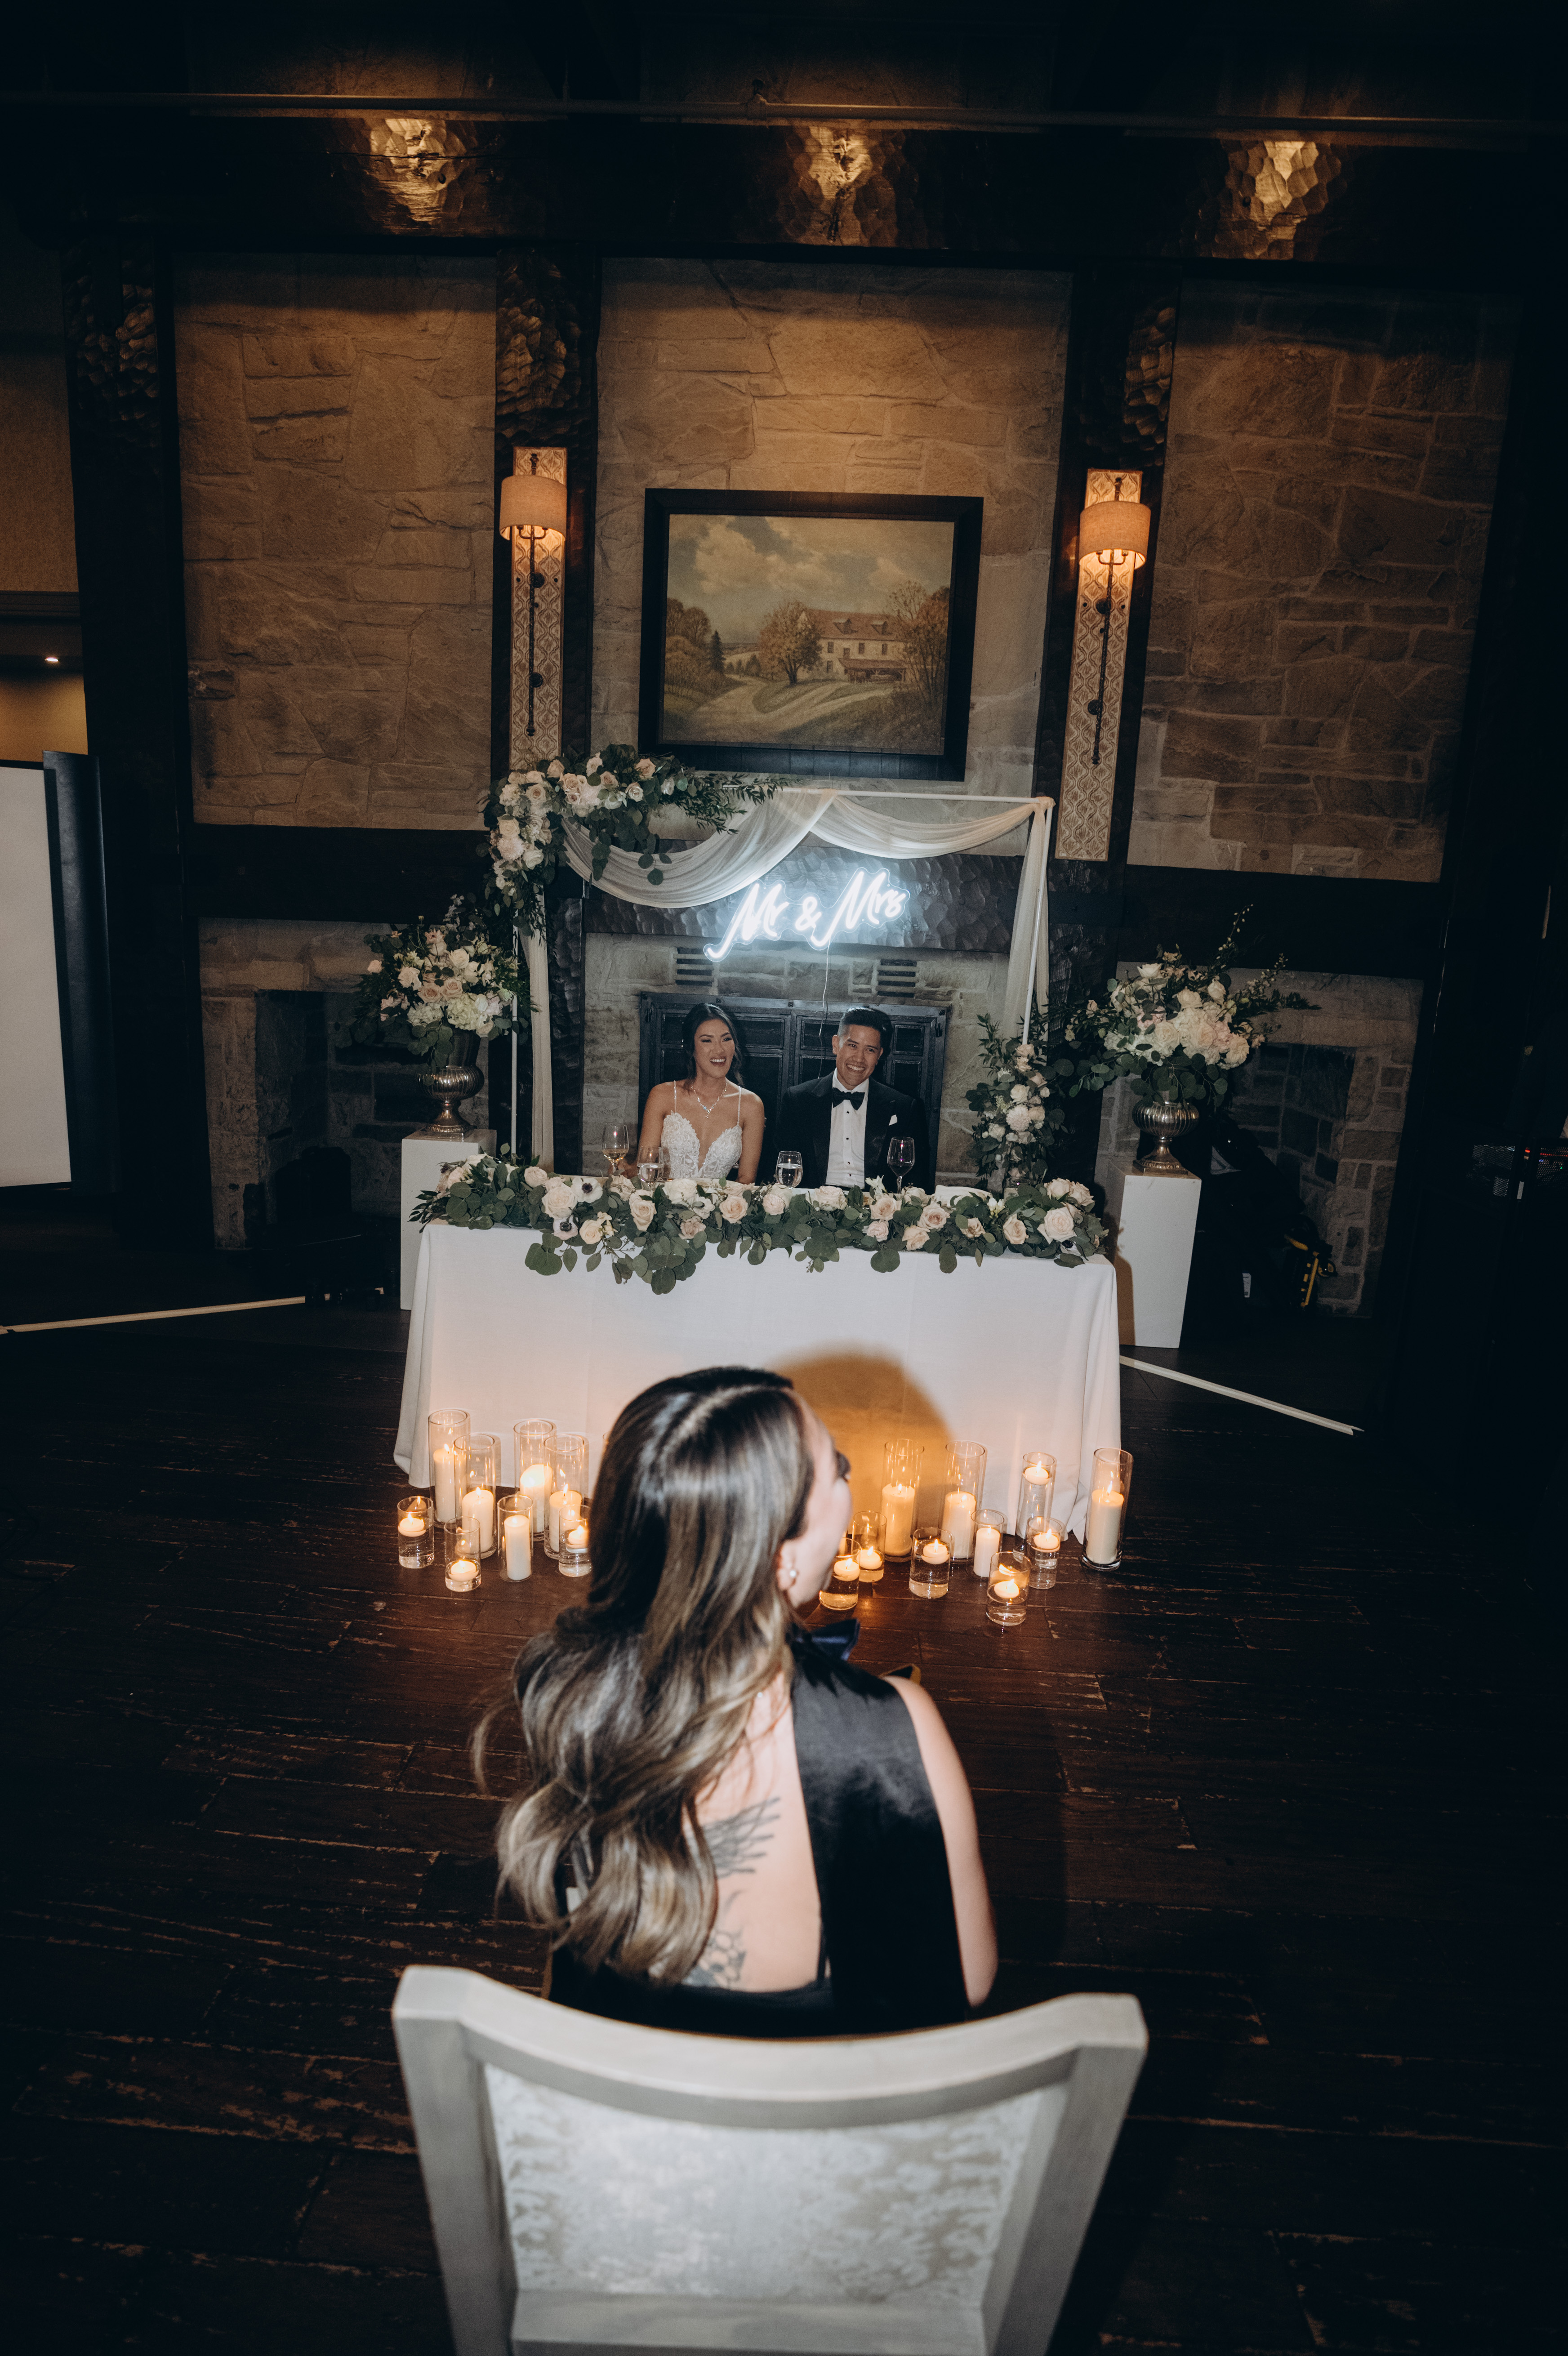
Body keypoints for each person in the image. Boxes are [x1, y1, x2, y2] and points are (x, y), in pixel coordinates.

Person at [480, 1367, 996, 2037]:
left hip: (614, 2085)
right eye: (838, 1469)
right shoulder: (891, 1727)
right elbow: (967, 1978)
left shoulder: (563, 1690)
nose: (849, 1481)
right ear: (779, 1560)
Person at [770, 1006, 934, 1192]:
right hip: (813, 1203)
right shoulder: (798, 1101)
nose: (859, 1059)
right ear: (836, 1045)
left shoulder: (904, 1107)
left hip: (877, 1205)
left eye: (870, 1050)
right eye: (852, 1046)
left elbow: (916, 1180)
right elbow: (780, 1170)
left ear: (879, 1055)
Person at [635, 1002, 763, 1183]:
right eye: (707, 1041)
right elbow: (644, 1166)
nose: (719, 1050)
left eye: (726, 1039)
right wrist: (622, 1168)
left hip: (722, 1201)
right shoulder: (662, 1096)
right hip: (664, 1198)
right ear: (690, 1048)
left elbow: (746, 1179)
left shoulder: (751, 1105)